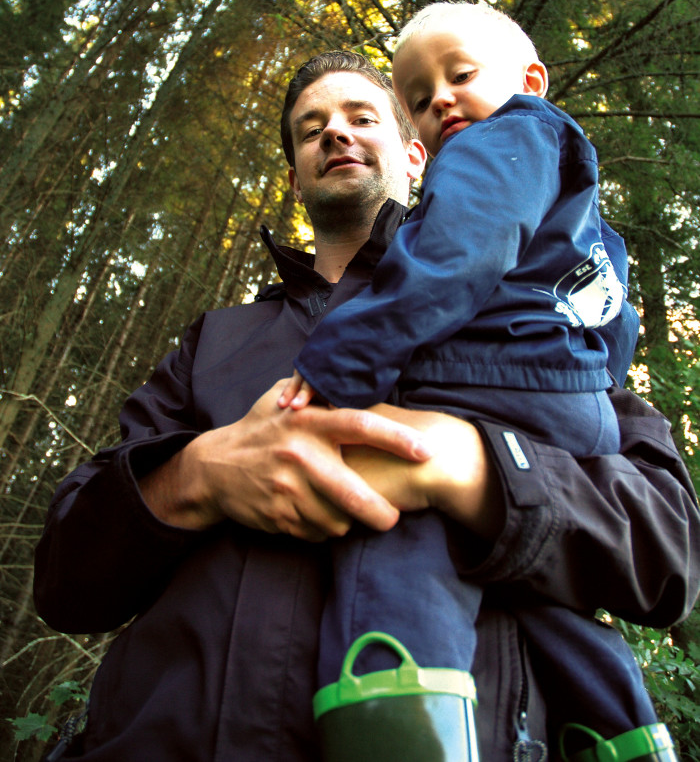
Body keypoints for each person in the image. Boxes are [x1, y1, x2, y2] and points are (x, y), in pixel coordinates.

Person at [33, 50, 700, 762]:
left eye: (361, 116)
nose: (335, 135)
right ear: (294, 177)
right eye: (311, 127)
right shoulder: (215, 341)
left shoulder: (540, 313)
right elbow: (66, 580)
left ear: (417, 155)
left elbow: (673, 552)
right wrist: (195, 476)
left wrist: (477, 471)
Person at [277, 5, 659, 751]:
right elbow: (615, 315)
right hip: (570, 406)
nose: (440, 100)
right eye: (419, 98)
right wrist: (591, 388)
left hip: (488, 382)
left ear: (530, 82)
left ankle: (397, 721)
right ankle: (620, 728)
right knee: (545, 592)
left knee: (394, 529)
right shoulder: (575, 202)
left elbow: (454, 257)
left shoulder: (505, 138)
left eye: (460, 75)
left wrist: (332, 368)